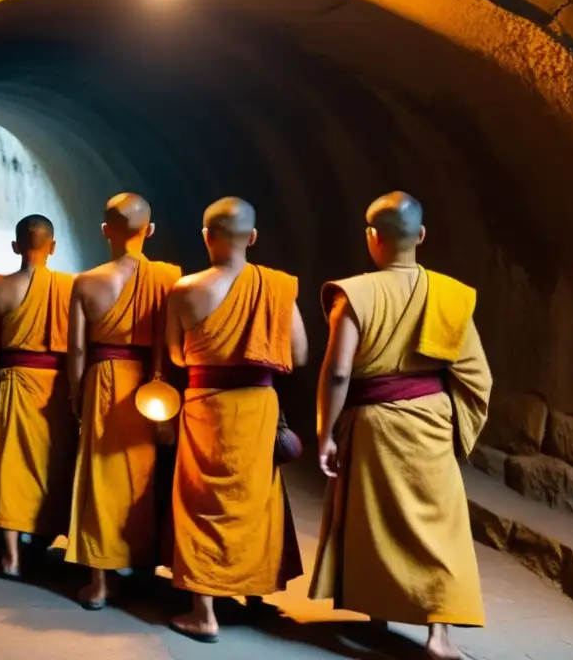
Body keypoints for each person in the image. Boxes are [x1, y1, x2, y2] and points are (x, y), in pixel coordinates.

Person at [308, 191, 492, 660]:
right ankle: (439, 637)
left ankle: (377, 614)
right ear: (422, 236)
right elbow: (476, 373)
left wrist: (326, 432)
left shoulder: (354, 295)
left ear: (372, 238)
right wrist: (458, 422)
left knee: (375, 521)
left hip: (371, 426)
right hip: (430, 419)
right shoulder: (450, 295)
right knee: (441, 528)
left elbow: (338, 372)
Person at [165, 197, 308, 643]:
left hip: (205, 403)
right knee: (255, 500)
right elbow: (299, 353)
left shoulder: (185, 289)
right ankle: (254, 590)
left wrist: (210, 354)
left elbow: (173, 353)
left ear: (206, 237)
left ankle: (203, 612)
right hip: (258, 406)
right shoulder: (276, 287)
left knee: (200, 501)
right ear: (253, 237)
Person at [65, 193, 181, 609]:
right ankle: (143, 567)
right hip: (153, 389)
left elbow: (77, 351)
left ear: (104, 231)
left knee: (99, 476)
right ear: (149, 231)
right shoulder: (170, 278)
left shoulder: (87, 282)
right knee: (144, 478)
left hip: (103, 379)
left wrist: (77, 396)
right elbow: (171, 345)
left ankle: (98, 583)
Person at [0, 215, 77, 578]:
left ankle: (10, 556)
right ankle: (42, 539)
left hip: (14, 382)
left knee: (10, 465)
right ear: (52, 247)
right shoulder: (71, 288)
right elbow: (80, 345)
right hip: (56, 385)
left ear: (16, 246)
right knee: (52, 463)